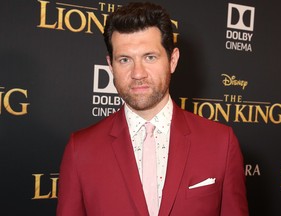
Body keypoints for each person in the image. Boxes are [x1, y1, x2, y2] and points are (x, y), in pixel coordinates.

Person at [56, 2, 249, 216]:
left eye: (150, 57)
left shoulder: (221, 142)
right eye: (125, 59)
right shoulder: (80, 150)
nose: (138, 73)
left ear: (172, 60)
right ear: (111, 65)